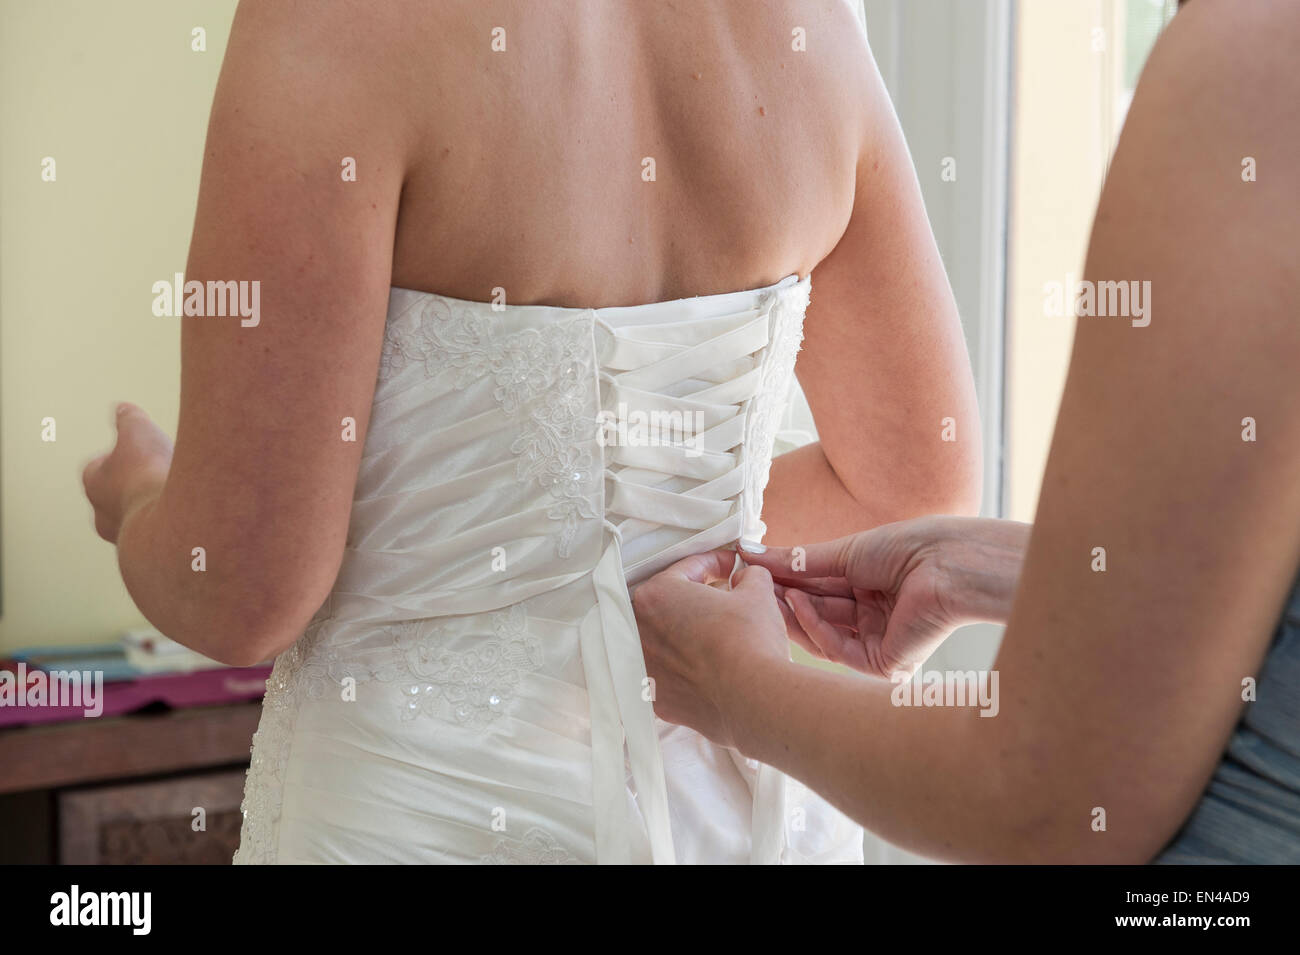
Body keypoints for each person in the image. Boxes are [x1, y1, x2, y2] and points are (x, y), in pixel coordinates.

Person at [81, 0, 979, 863]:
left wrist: (139, 496)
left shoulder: (336, 20)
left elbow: (245, 590)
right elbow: (912, 490)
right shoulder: (810, 20)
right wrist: (656, 548)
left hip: (427, 814)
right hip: (742, 816)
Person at [632, 0, 1300, 863]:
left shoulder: (1255, 68)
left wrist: (734, 689)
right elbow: (911, 475)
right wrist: (1019, 568)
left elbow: (1043, 805)